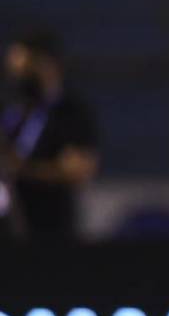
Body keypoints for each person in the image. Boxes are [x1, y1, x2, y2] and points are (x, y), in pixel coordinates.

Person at [0, 28, 99, 238]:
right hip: (10, 227)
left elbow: (79, 170)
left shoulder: (71, 112)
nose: (17, 78)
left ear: (46, 63)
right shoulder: (12, 109)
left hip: (53, 230)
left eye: (25, 69)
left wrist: (22, 169)